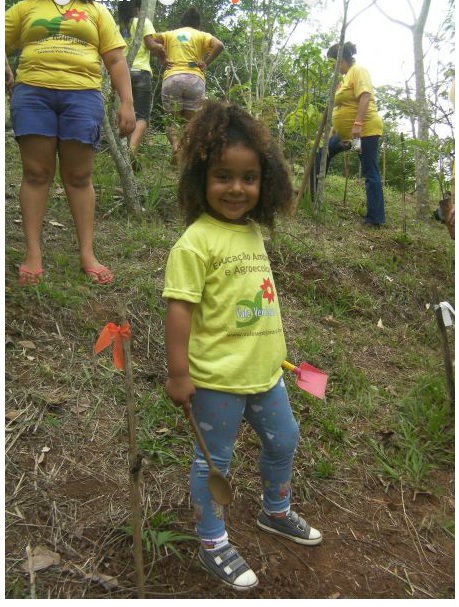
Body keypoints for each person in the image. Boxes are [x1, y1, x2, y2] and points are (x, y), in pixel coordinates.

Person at [162, 101, 322, 591]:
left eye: (248, 177)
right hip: (215, 381)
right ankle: (212, 540)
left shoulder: (252, 231)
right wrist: (178, 373)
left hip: (265, 373)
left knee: (284, 439)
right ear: (200, 179)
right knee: (214, 462)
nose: (236, 188)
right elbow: (179, 311)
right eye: (223, 176)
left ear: (265, 182)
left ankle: (276, 510)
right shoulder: (195, 242)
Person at [5, 0, 136, 285]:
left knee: (79, 176)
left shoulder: (98, 10)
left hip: (82, 96)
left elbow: (115, 59)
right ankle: (33, 253)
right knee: (36, 173)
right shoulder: (26, 6)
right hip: (32, 95)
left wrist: (126, 102)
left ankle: (87, 254)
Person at [312, 42, 385, 227]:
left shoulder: (358, 70)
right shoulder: (344, 79)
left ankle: (375, 219)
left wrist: (357, 125)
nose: (334, 68)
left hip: (364, 131)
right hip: (348, 136)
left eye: (334, 63)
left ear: (341, 60)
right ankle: (311, 194)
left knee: (370, 171)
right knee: (323, 154)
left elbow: (365, 96)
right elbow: (341, 107)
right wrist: (334, 133)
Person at [152, 7, 224, 164]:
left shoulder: (170, 34)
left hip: (172, 78)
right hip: (194, 80)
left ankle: (176, 146)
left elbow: (149, 39)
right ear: (198, 24)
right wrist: (206, 62)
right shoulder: (202, 35)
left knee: (172, 121)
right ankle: (185, 155)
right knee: (190, 123)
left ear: (182, 22)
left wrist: (161, 56)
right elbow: (219, 45)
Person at [118, 0, 166, 170]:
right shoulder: (143, 22)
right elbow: (150, 44)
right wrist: (161, 48)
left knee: (124, 112)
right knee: (142, 117)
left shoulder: (120, 26)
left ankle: (122, 151)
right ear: (138, 8)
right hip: (141, 73)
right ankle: (131, 150)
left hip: (121, 74)